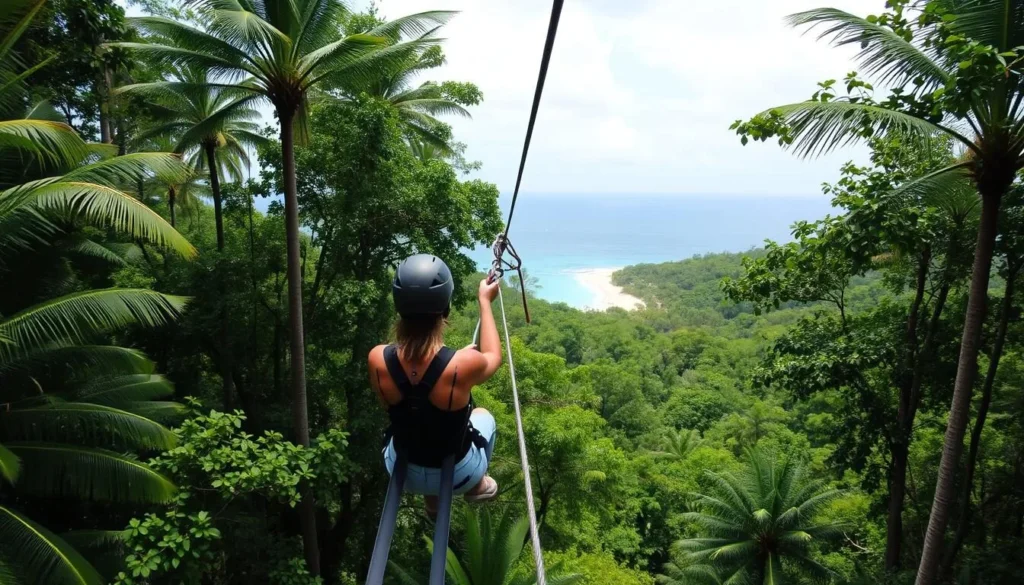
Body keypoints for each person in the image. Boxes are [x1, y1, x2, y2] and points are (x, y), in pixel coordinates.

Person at [369, 253, 503, 515]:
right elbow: (493, 357)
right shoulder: (462, 366)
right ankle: (478, 484)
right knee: (484, 416)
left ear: (399, 308)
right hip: (459, 475)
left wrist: (454, 363)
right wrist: (484, 302)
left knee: (418, 426)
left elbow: (413, 395)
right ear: (445, 309)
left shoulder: (377, 358)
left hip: (402, 470)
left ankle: (432, 499)